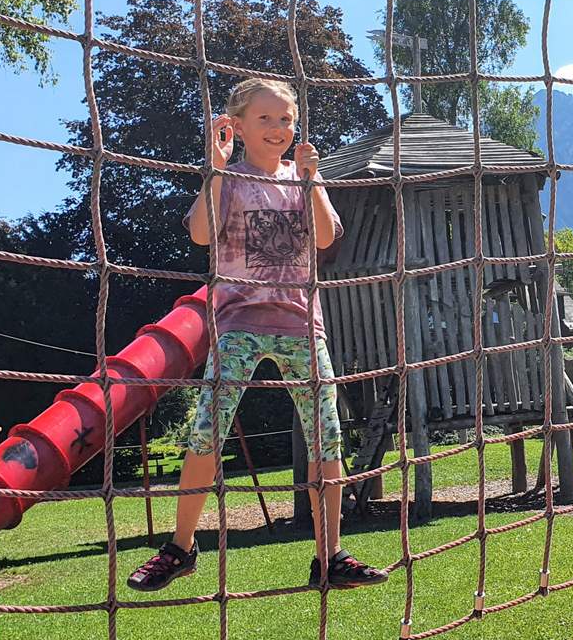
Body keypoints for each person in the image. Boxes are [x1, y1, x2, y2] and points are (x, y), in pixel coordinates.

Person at [127, 78, 386, 593]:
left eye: (285, 119)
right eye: (265, 118)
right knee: (208, 428)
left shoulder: (303, 177)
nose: (277, 128)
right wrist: (215, 168)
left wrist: (312, 182)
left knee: (326, 436)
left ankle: (330, 554)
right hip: (239, 320)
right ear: (237, 126)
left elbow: (325, 237)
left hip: (301, 323)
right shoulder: (230, 178)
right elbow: (201, 233)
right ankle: (181, 547)